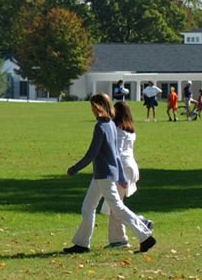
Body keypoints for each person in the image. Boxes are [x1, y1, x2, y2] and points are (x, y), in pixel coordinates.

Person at [63, 93, 155, 255]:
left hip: (104, 176)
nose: (91, 109)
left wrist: (74, 169)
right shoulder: (110, 125)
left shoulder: (101, 127)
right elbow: (115, 154)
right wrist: (120, 175)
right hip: (102, 175)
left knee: (116, 208)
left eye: (92, 106)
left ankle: (145, 236)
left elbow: (92, 153)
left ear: (98, 107)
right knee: (88, 207)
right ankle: (81, 243)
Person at [99, 102, 141, 248]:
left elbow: (116, 153)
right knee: (117, 204)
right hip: (131, 166)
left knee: (115, 205)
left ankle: (121, 237)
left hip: (121, 167)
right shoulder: (131, 131)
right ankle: (119, 237)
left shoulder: (116, 129)